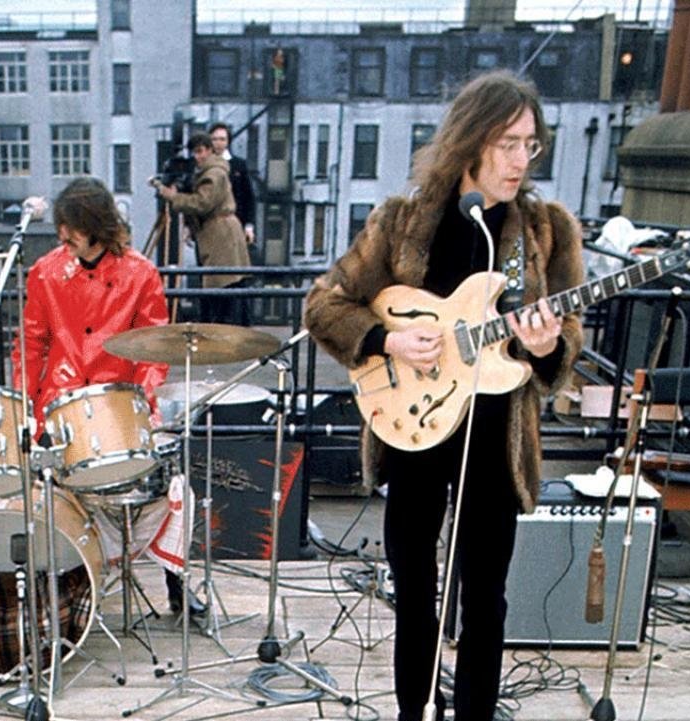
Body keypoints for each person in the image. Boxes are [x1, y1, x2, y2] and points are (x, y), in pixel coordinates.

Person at [302, 71, 584, 721]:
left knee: (486, 595)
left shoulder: (546, 231)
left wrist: (547, 348)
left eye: (530, 145)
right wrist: (385, 340)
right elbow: (324, 303)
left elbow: (568, 333)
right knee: (415, 590)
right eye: (508, 143)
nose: (520, 159)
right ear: (470, 140)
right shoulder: (402, 221)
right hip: (415, 427)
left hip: (497, 434)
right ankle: (413, 711)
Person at [12, 176, 203, 617]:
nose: (63, 236)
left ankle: (176, 580)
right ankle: (70, 584)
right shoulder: (45, 272)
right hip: (61, 404)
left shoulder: (140, 273)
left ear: (95, 225)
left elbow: (154, 348)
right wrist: (27, 406)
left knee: (173, 489)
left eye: (71, 227)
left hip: (122, 405)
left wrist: (143, 401)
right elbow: (30, 344)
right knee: (54, 499)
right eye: (61, 227)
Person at [158, 132, 252, 326]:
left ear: (209, 150)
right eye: (195, 152)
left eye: (201, 151)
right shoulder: (209, 172)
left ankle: (224, 329)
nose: (197, 156)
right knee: (221, 285)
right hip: (217, 233)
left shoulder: (214, 174)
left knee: (222, 285)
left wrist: (173, 197)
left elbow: (202, 203)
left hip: (221, 235)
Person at [208, 122, 256, 246]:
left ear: (228, 141)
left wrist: (249, 225)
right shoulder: (203, 165)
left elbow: (248, 197)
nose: (218, 143)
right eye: (214, 139)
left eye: (222, 139)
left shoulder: (238, 165)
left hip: (235, 223)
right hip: (208, 225)